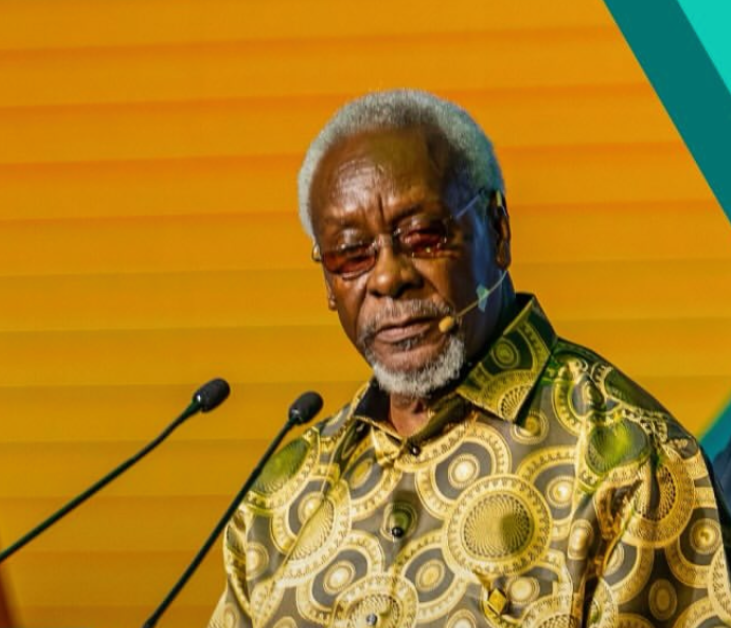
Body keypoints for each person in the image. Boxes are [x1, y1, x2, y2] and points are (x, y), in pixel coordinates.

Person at [207, 89, 731, 627]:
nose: (388, 277)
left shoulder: (628, 460)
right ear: (327, 282)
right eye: (351, 255)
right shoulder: (278, 501)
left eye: (422, 236)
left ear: (498, 231)